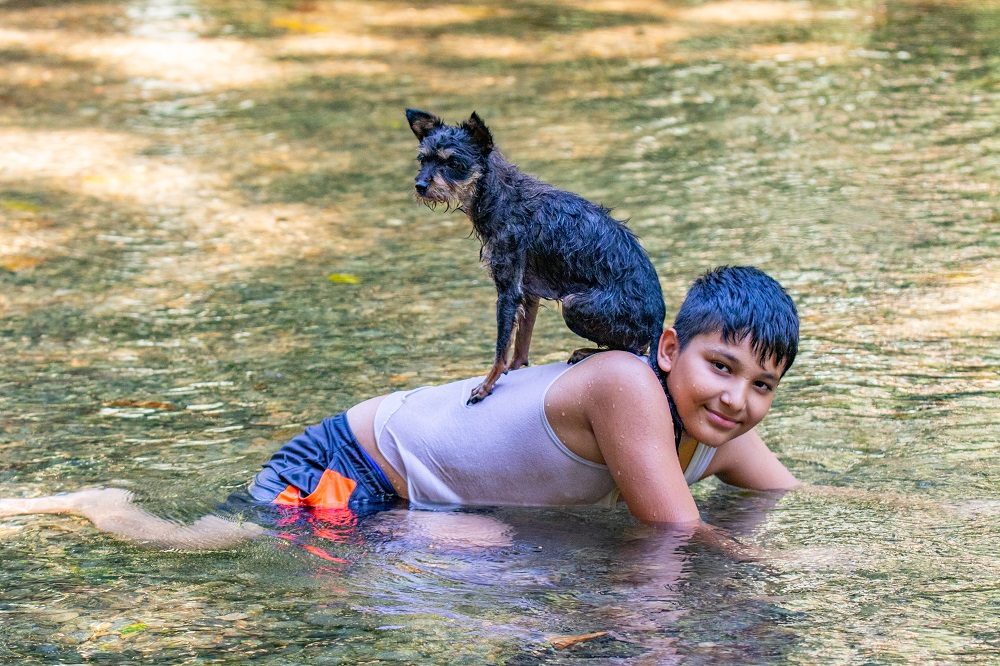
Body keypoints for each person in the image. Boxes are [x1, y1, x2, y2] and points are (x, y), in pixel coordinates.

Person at [0, 265, 800, 549]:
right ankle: (95, 505)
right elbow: (674, 533)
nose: (735, 398)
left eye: (761, 385)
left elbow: (795, 498)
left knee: (501, 548)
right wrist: (779, 571)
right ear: (668, 350)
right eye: (719, 367)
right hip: (340, 473)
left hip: (401, 493)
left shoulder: (713, 431)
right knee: (207, 541)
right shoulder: (625, 383)